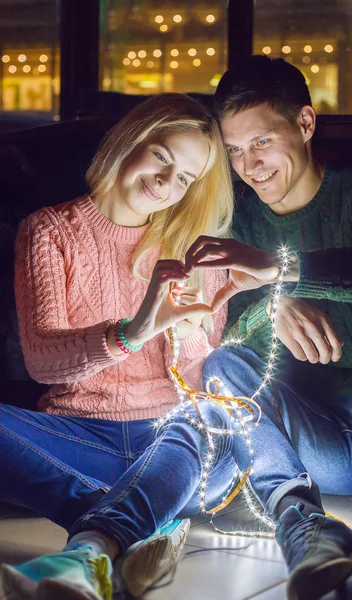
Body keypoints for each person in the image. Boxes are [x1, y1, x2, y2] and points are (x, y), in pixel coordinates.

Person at [0, 93, 242, 600]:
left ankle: (90, 550)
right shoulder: (49, 231)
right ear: (130, 140)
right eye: (161, 156)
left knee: (211, 418)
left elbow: (209, 373)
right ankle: (146, 521)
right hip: (77, 438)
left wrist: (187, 331)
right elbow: (43, 362)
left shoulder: (195, 247)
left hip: (173, 441)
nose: (165, 182)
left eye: (184, 179)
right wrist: (133, 331)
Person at [185, 56, 352, 600]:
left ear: (304, 124)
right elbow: (228, 337)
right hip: (316, 438)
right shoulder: (239, 217)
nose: (248, 165)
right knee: (220, 367)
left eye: (260, 142)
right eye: (234, 151)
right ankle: (304, 525)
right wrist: (272, 306)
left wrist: (283, 273)